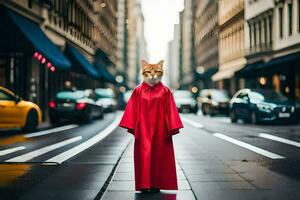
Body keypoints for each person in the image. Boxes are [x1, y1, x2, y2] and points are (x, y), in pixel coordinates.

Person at [119, 60, 183, 193]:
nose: (153, 76)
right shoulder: (137, 91)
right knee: (143, 155)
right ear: (143, 72)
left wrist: (171, 127)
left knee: (160, 156)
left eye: (157, 73)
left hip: (160, 129)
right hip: (143, 129)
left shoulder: (166, 91)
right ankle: (143, 184)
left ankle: (156, 184)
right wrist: (134, 126)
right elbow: (132, 110)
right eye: (149, 72)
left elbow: (171, 111)